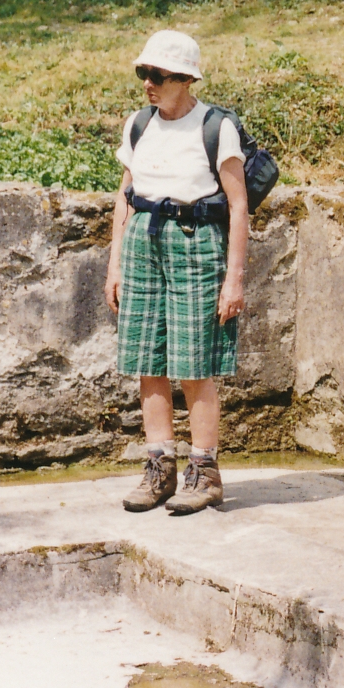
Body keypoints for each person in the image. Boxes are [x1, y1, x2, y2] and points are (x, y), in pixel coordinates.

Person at [105, 30, 250, 516]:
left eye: (159, 75)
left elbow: (238, 205)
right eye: (143, 73)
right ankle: (160, 466)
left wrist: (234, 278)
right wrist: (115, 265)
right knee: (148, 358)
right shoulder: (139, 124)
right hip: (145, 242)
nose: (148, 83)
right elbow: (125, 198)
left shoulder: (215, 126)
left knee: (195, 362)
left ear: (186, 79)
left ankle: (204, 471)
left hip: (196, 243)